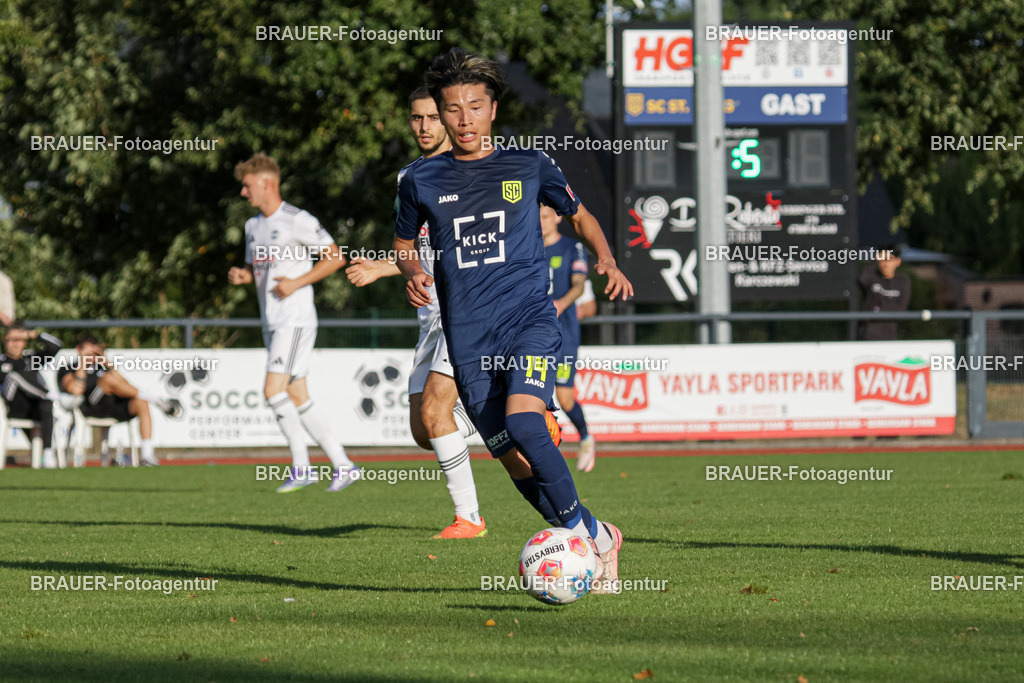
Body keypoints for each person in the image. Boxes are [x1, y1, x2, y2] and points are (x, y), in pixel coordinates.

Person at [393, 48, 633, 592]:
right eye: (451, 109)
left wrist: (606, 258)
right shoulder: (421, 180)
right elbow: (405, 244)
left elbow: (580, 214)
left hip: (528, 322)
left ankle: (588, 545)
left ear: (492, 109)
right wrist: (411, 270)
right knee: (515, 464)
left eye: (473, 107)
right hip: (468, 338)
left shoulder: (530, 164)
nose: (463, 119)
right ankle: (598, 534)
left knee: (527, 425)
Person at [345, 87, 487, 538]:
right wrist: (385, 268)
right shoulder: (410, 176)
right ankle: (501, 419)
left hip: (464, 309)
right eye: (416, 118)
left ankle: (469, 518)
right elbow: (417, 250)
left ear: (448, 120)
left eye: (432, 117)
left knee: (434, 414)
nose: (424, 127)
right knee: (423, 431)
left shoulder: (472, 170)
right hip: (429, 317)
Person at [228, 153, 360, 492]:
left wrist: (296, 283)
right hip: (272, 320)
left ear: (267, 183)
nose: (244, 193)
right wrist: (244, 276)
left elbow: (335, 258)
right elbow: (258, 269)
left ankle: (302, 467)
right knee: (297, 394)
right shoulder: (252, 226)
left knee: (273, 391)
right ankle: (343, 464)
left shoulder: (297, 220)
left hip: (295, 318)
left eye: (247, 186)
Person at [58, 335, 181, 467]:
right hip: (90, 407)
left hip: (113, 406)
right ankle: (157, 400)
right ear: (79, 350)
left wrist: (107, 364)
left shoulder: (103, 367)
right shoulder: (69, 367)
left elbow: (125, 385)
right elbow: (75, 390)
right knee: (106, 380)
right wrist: (83, 363)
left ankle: (147, 455)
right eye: (88, 352)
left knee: (141, 402)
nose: (91, 356)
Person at [540, 205, 596, 471]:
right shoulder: (526, 246)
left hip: (564, 335)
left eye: (545, 216)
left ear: (558, 217)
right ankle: (544, 452)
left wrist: (560, 304)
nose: (541, 222)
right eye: (536, 217)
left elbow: (579, 284)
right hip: (533, 335)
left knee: (564, 398)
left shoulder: (571, 247)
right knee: (532, 396)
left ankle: (585, 437)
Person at [1, 322, 61, 468]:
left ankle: (47, 453)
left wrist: (32, 334)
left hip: (34, 406)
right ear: (4, 340)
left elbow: (56, 347)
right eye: (11, 340)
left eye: (19, 340)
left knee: (46, 405)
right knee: (13, 376)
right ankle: (47, 395)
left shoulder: (30, 359)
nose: (15, 344)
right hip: (13, 406)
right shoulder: (1, 361)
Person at [859, 243, 911, 341]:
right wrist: (874, 260)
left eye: (889, 259)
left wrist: (878, 309)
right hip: (867, 336)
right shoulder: (872, 277)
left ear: (897, 262)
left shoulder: (902, 281)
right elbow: (862, 279)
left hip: (890, 337)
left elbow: (901, 308)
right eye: (882, 259)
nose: (885, 264)